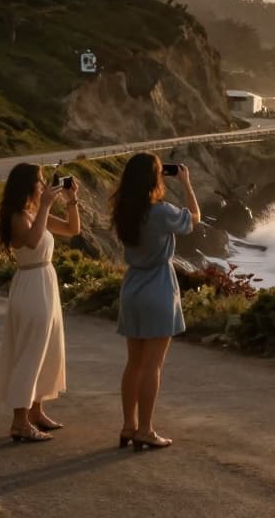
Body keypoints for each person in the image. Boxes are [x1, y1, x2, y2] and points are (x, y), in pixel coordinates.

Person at [111, 152, 200, 451]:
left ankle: (128, 426)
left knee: (133, 363)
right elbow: (194, 220)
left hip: (132, 287)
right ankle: (146, 430)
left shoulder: (124, 210)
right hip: (158, 288)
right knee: (153, 366)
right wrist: (186, 184)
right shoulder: (160, 212)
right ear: (154, 178)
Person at [0, 163, 80, 443]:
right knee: (30, 353)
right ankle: (19, 421)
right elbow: (32, 242)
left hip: (45, 281)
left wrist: (71, 201)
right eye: (40, 181)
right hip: (31, 285)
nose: (44, 185)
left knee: (46, 350)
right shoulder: (18, 216)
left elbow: (72, 229)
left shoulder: (33, 213)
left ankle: (36, 411)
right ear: (27, 186)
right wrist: (44, 206)